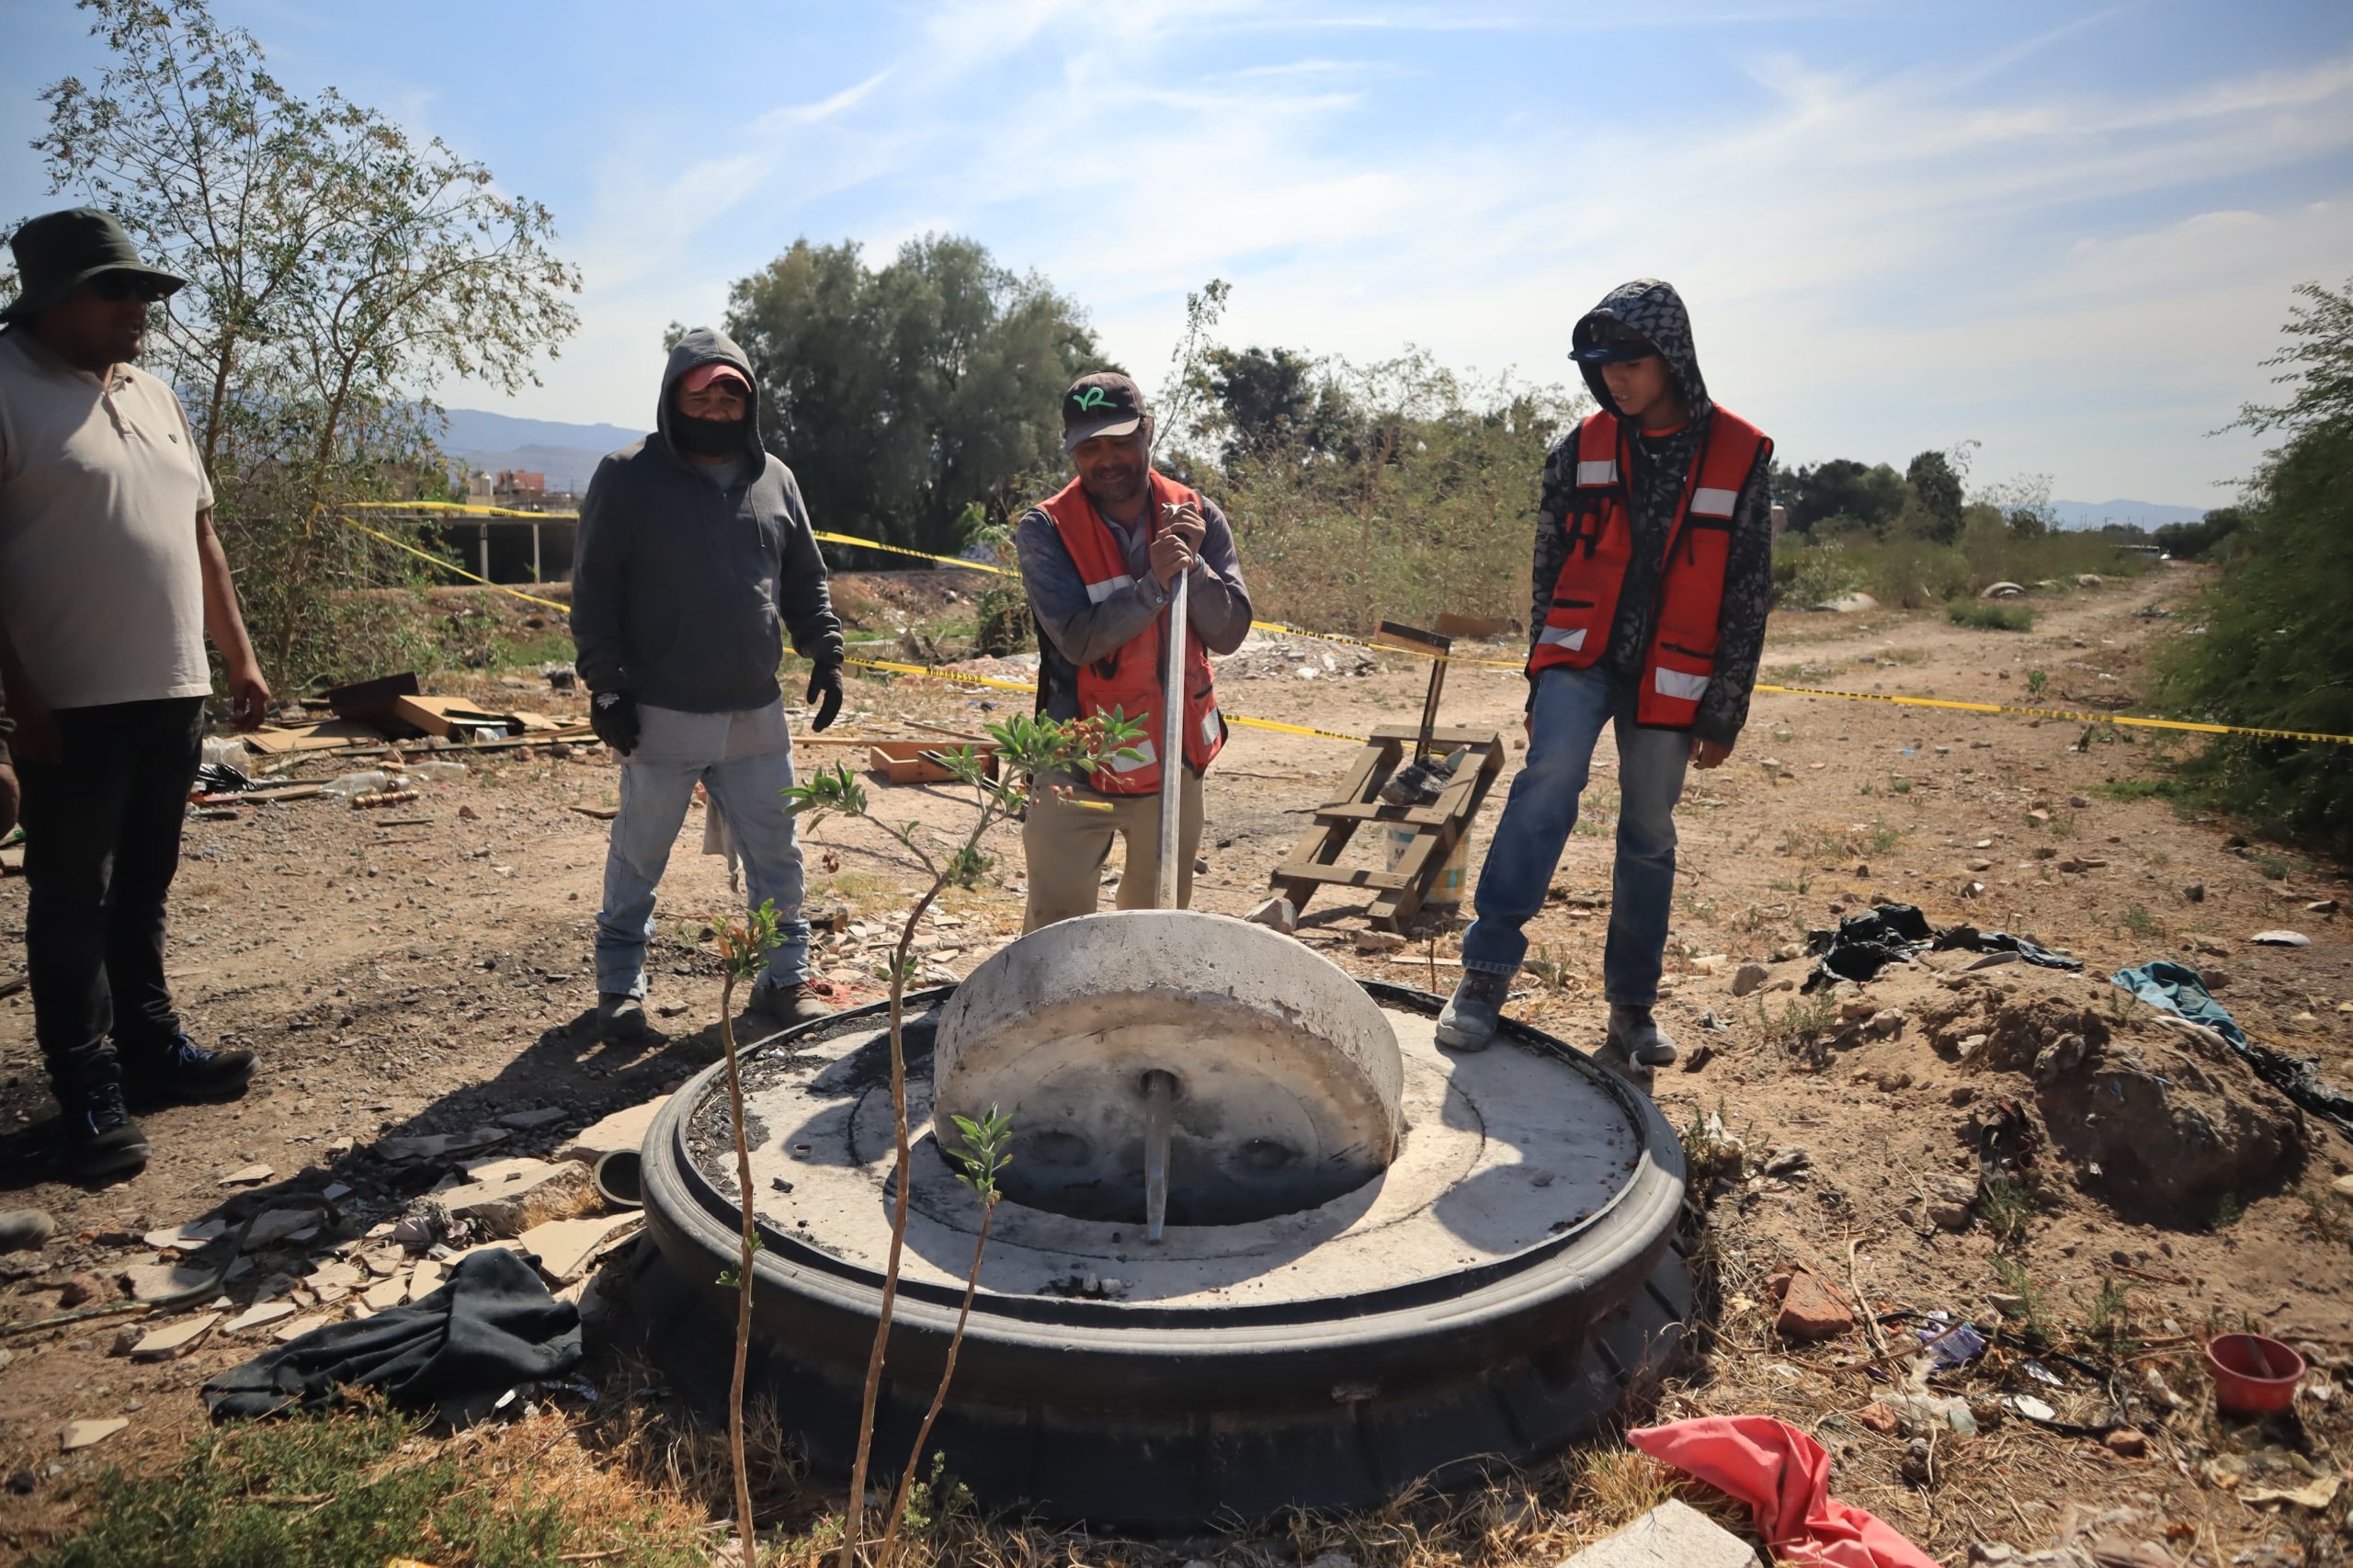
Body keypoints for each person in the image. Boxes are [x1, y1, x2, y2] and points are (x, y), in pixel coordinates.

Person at [1437, 279, 1774, 1067]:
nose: (1614, 377)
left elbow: (1749, 588)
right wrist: (1538, 680)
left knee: (1649, 833)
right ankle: (1483, 975)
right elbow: (1549, 565)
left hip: (1675, 675)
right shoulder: (1580, 447)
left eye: (1630, 360)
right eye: (1599, 362)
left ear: (1673, 359)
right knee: (1548, 778)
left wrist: (1726, 707)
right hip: (1578, 659)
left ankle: (1631, 1008)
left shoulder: (1739, 453)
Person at [0, 208, 268, 1177]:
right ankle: (85, 1088)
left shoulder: (154, 393)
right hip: (67, 704)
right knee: (72, 898)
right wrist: (16, 702)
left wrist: (235, 656)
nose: (140, 308)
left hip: (170, 689)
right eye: (118, 290)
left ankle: (150, 1050)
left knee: (142, 889)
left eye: (146, 290)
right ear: (52, 299)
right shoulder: (6, 387)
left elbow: (199, 534)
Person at [572, 327, 845, 1042]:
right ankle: (619, 988)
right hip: (659, 710)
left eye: (733, 392)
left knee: (777, 852)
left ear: (748, 401)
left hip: (756, 711)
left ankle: (783, 982)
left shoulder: (775, 479)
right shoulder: (626, 475)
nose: (720, 405)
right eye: (705, 391)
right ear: (675, 396)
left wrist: (826, 651)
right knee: (640, 853)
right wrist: (606, 688)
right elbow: (594, 592)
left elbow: (804, 580)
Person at [1016, 371, 1251, 930]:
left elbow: (1230, 633)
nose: (1107, 459)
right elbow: (1077, 640)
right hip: (1074, 762)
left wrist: (1195, 568)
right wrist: (1153, 586)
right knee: (1054, 931)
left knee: (1155, 929)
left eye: (1121, 440)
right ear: (1072, 449)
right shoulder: (1046, 529)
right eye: (1090, 447)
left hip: (1173, 761)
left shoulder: (1198, 513)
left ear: (1148, 432)